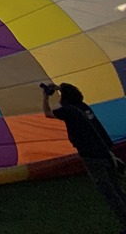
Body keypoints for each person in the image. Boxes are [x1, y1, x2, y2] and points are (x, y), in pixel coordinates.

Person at [43, 82, 126, 230]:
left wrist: (45, 97)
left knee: (109, 192)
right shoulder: (84, 107)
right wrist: (59, 88)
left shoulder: (68, 111)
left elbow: (48, 113)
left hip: (92, 156)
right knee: (117, 189)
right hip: (105, 151)